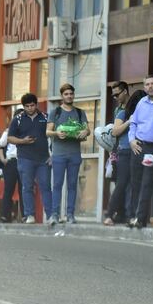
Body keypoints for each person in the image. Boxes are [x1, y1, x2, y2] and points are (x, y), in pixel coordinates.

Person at [127, 75, 153, 228]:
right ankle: (137, 218)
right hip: (139, 146)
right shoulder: (141, 102)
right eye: (147, 84)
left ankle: (151, 218)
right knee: (136, 183)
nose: (150, 87)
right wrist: (131, 140)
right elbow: (133, 123)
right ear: (144, 87)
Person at [47, 83, 90, 225]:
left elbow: (87, 130)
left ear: (73, 95)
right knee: (57, 185)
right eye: (66, 94)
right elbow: (48, 131)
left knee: (72, 185)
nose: (69, 96)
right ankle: (54, 214)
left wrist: (85, 131)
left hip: (74, 154)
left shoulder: (80, 112)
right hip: (59, 154)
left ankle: (70, 214)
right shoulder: (56, 112)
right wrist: (56, 133)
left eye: (71, 93)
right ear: (62, 96)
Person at [8, 93, 52, 224]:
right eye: (27, 106)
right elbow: (10, 138)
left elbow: (52, 136)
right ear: (23, 106)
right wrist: (23, 141)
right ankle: (30, 215)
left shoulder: (45, 117)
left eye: (32, 105)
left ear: (36, 104)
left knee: (46, 186)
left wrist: (52, 155)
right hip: (25, 158)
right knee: (27, 187)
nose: (30, 108)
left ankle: (50, 215)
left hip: (43, 158)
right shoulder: (18, 119)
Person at [104, 84, 140, 226]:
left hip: (137, 150)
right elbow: (115, 132)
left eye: (117, 94)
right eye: (113, 95)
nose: (115, 98)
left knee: (132, 185)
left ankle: (128, 215)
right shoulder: (120, 111)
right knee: (121, 183)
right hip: (124, 149)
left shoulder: (137, 110)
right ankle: (110, 214)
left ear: (125, 92)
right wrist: (129, 121)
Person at [0, 109, 24, 223]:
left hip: (24, 161)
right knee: (8, 189)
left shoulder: (28, 131)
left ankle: (25, 216)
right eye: (18, 117)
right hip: (11, 162)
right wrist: (3, 159)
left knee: (24, 189)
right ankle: (5, 215)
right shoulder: (8, 131)